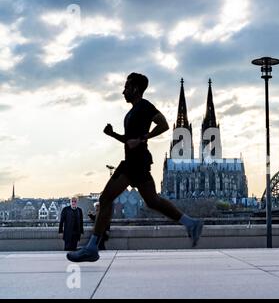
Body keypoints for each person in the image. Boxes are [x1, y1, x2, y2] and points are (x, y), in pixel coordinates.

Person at [67, 73, 203, 262]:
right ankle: (191, 223)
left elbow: (163, 124)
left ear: (136, 89)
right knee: (152, 201)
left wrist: (142, 139)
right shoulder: (131, 113)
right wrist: (113, 134)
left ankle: (92, 247)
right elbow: (128, 140)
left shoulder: (145, 106)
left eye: (126, 87)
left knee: (106, 199)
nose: (123, 91)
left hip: (134, 163)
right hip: (136, 161)